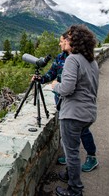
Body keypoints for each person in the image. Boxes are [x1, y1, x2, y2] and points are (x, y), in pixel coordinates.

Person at [52, 25, 99, 196]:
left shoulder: (73, 59)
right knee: (74, 149)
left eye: (69, 37)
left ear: (75, 40)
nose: (65, 40)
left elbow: (66, 89)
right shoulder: (91, 61)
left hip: (73, 114)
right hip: (88, 113)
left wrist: (55, 85)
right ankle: (69, 174)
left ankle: (75, 190)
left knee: (71, 152)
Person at [40, 35, 98, 173]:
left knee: (82, 130)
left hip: (74, 103)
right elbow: (51, 74)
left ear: (69, 41)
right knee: (68, 131)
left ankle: (90, 157)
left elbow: (69, 87)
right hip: (61, 99)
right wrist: (41, 79)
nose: (60, 44)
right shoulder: (60, 58)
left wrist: (57, 86)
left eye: (62, 41)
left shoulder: (77, 59)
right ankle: (69, 160)